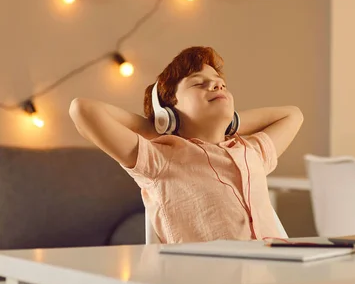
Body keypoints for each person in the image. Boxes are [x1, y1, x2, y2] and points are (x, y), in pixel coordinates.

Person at [69, 46, 304, 245]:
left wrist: (232, 121)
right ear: (168, 112)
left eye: (220, 84)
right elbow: (83, 110)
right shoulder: (161, 159)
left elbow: (293, 115)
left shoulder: (250, 151)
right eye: (198, 84)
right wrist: (155, 127)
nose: (217, 86)